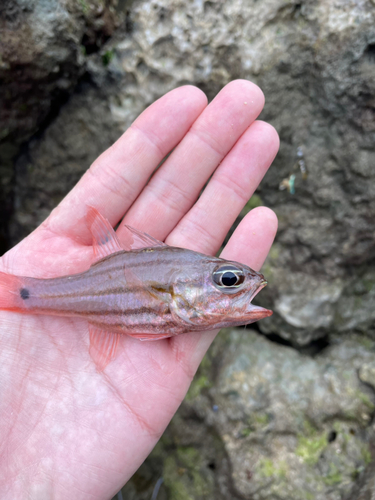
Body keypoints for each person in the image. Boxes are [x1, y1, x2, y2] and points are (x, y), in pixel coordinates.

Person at [0, 80, 279, 499]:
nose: (239, 287)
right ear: (180, 289)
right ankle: (21, 294)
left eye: (231, 281)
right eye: (228, 281)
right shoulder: (172, 289)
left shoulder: (178, 292)